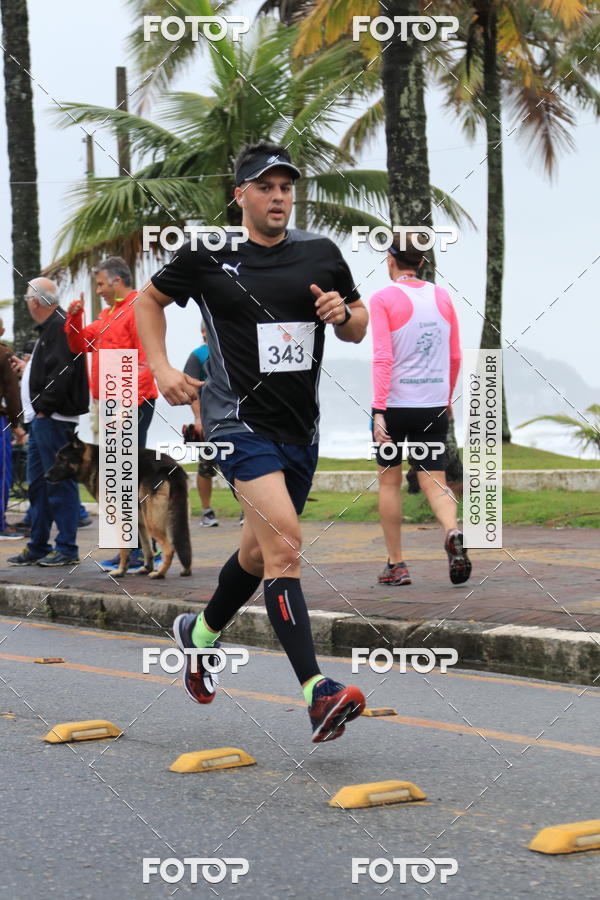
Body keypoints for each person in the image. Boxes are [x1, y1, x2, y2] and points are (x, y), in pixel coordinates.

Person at [136, 141, 368, 743]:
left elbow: (359, 326)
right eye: (266, 187)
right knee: (288, 544)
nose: (278, 198)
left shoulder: (321, 254)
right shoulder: (209, 253)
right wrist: (162, 369)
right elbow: (149, 300)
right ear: (241, 194)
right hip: (236, 426)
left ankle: (200, 635)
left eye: (286, 188)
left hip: (300, 430)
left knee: (260, 554)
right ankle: (317, 692)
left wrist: (341, 313)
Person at [369, 233, 471, 586]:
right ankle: (453, 531)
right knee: (435, 479)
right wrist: (446, 400)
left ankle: (396, 565)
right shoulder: (442, 297)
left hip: (395, 405)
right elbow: (455, 356)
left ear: (391, 260)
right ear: (423, 264)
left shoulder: (382, 298)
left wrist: (378, 410)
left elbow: (383, 357)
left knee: (390, 482)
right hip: (432, 405)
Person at [64, 256, 159, 571]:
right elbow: (79, 344)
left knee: (127, 474)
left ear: (118, 281)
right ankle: (126, 550)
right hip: (112, 402)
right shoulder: (107, 314)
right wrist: (74, 318)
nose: (99, 290)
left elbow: (145, 359)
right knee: (117, 475)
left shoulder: (137, 309)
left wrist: (128, 403)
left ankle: (144, 550)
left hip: (130, 401)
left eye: (102, 284)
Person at [7, 279, 89, 567]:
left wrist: (43, 408)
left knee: (59, 483)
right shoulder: (51, 327)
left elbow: (62, 371)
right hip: (43, 420)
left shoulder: (59, 325)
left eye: (28, 297)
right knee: (39, 486)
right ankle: (38, 545)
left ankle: (66, 547)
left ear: (35, 301)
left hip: (52, 418)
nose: (27, 302)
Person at [183, 324, 219, 527]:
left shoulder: (230, 350)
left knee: (241, 465)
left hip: (234, 419)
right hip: (208, 420)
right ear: (203, 332)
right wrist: (198, 419)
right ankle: (207, 511)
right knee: (206, 467)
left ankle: (246, 511)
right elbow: (191, 390)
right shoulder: (198, 355)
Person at [0, 317, 26, 539]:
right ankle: (0, 524)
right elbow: (11, 393)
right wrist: (16, 424)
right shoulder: (4, 354)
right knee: (2, 473)